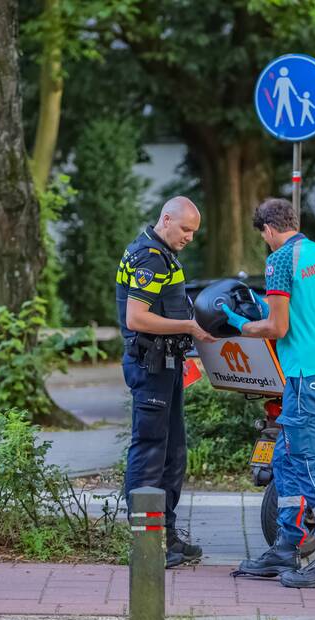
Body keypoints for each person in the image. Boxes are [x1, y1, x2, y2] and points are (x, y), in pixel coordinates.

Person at [222, 198, 315, 589]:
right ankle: (286, 546)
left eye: (262, 236)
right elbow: (306, 311)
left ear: (267, 230)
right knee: (286, 459)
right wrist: (265, 305)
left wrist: (242, 325)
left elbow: (276, 328)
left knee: (310, 463)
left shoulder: (280, 260)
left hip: (305, 375)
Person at [116, 196, 216, 568]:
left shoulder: (159, 252)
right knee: (150, 452)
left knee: (173, 453)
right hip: (150, 365)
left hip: (166, 364)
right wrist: (189, 326)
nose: (190, 237)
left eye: (194, 232)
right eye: (186, 229)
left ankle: (167, 535)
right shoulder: (149, 258)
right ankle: (148, 544)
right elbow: (137, 318)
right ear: (166, 218)